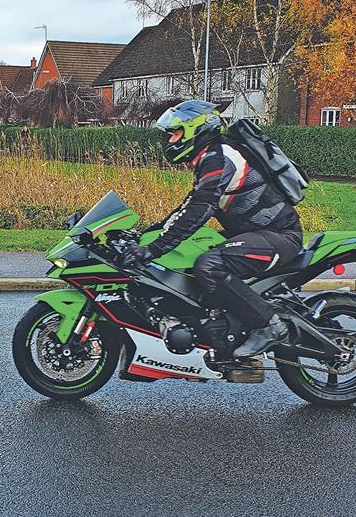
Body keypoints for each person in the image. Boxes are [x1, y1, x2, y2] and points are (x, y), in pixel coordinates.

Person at [121, 101, 303, 358]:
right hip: (257, 235)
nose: (171, 141)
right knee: (197, 255)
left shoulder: (221, 158)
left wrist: (154, 249)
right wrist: (143, 237)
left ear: (196, 129)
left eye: (176, 133)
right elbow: (187, 209)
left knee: (209, 265)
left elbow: (200, 210)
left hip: (279, 236)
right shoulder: (211, 158)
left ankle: (270, 326)